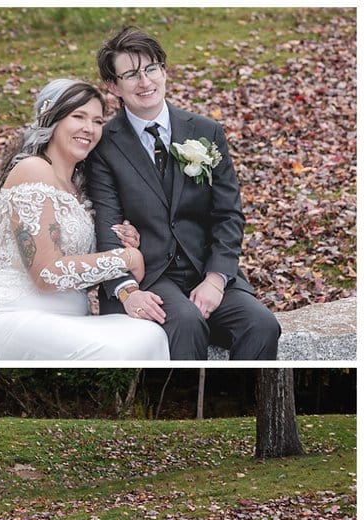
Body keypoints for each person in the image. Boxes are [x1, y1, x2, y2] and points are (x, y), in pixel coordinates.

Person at [87, 26, 281, 360]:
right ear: (113, 86)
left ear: (164, 71)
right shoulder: (104, 146)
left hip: (206, 267)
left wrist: (217, 279)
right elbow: (107, 226)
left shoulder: (206, 131)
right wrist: (124, 290)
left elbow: (228, 214)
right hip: (148, 276)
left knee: (262, 325)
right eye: (131, 74)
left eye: (150, 69)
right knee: (187, 322)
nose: (145, 82)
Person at [0, 78, 170, 361]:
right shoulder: (33, 170)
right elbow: (47, 274)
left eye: (97, 121)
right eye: (78, 116)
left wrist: (125, 241)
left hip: (66, 318)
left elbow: (77, 271)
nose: (90, 128)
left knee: (150, 335)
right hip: (11, 314)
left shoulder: (80, 190)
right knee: (115, 351)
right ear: (53, 119)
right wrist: (125, 258)